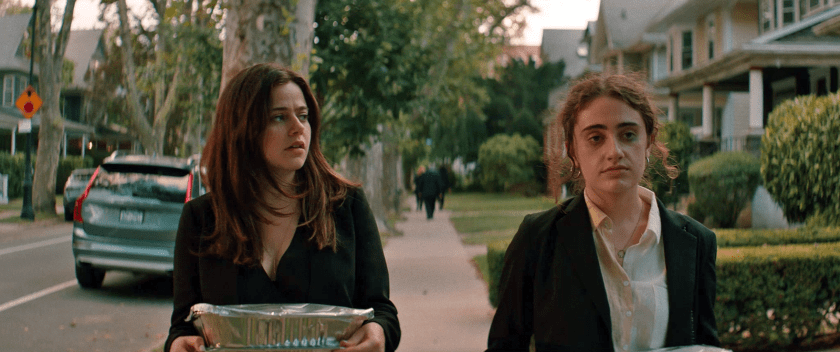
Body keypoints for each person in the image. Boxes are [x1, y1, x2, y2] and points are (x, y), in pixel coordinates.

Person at [165, 63, 400, 352]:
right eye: (279, 117)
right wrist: (179, 343)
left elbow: (381, 310)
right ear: (242, 129)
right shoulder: (201, 219)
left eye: (303, 116)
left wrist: (378, 333)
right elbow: (182, 325)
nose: (297, 128)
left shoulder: (346, 206)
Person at [486, 73, 720, 352]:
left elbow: (706, 345)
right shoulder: (538, 238)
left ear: (648, 141)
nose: (614, 151)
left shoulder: (695, 242)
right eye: (596, 138)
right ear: (573, 149)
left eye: (628, 135)